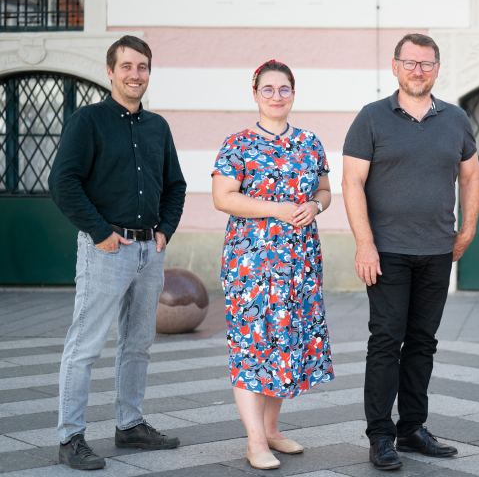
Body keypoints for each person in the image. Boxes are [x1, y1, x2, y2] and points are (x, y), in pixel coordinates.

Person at [342, 33, 479, 471]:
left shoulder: (456, 119)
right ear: (395, 66)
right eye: (410, 62)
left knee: (423, 342)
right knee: (386, 341)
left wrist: (468, 231)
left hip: (437, 250)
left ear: (437, 69)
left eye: (426, 63)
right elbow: (351, 184)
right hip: (387, 253)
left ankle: (412, 428)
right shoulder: (371, 118)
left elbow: (471, 178)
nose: (418, 70)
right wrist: (365, 243)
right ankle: (381, 435)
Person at [49, 35, 186, 470]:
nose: (135, 74)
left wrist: (165, 230)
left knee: (138, 344)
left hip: (150, 251)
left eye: (142, 67)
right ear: (111, 71)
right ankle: (71, 437)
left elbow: (176, 185)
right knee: (85, 346)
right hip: (106, 250)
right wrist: (100, 232)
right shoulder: (87, 121)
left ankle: (130, 425)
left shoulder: (157, 126)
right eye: (126, 66)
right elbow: (63, 183)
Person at [211, 60, 335, 470]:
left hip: (298, 259)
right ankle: (253, 441)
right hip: (252, 261)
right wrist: (278, 209)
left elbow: (324, 189)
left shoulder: (309, 142)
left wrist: (315, 206)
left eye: (284, 89)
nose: (277, 96)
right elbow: (224, 197)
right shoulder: (238, 143)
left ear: (293, 94)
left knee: (285, 342)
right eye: (268, 89)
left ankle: (272, 430)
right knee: (252, 345)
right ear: (255, 94)